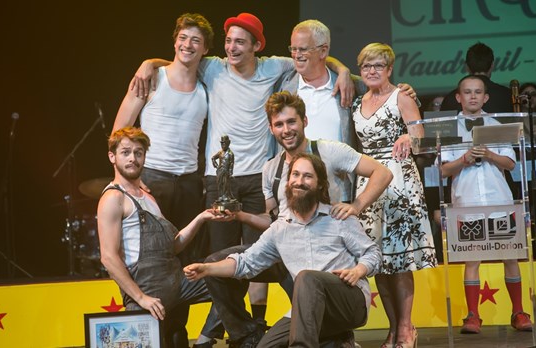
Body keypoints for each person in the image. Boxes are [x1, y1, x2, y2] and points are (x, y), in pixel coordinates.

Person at [133, 12, 355, 327]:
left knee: (261, 254)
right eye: (228, 41)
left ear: (256, 46)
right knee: (222, 258)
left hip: (258, 178)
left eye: (240, 42)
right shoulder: (213, 68)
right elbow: (181, 58)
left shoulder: (274, 66)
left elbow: (311, 56)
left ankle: (280, 322)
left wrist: (343, 69)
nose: (232, 48)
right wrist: (148, 63)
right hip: (218, 182)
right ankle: (236, 329)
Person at [191, 91, 392, 347]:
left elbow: (382, 173)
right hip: (289, 252)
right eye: (279, 124)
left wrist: (356, 205)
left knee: (308, 281)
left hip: (330, 265)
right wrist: (239, 215)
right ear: (271, 128)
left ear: (304, 121)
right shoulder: (271, 169)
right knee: (218, 262)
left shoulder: (329, 152)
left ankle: (331, 337)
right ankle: (248, 334)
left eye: (291, 122)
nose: (286, 129)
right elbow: (275, 223)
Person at [184, 153, 382, 347]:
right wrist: (207, 269)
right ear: (288, 182)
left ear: (320, 184)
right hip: (307, 310)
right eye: (295, 175)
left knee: (307, 278)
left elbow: (373, 253)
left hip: (349, 301)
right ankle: (337, 341)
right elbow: (246, 262)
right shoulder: (280, 229)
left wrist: (359, 271)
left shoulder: (338, 217)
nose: (299, 181)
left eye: (307, 176)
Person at [97, 127, 222, 347]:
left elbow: (174, 246)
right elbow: (108, 257)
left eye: (138, 153)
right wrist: (141, 298)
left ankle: (205, 340)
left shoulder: (148, 196)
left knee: (225, 277)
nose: (132, 158)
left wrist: (201, 217)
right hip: (146, 289)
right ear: (112, 157)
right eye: (125, 152)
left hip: (176, 280)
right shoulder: (113, 198)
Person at [352, 43, 437, 348]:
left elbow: (420, 135)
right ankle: (392, 329)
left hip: (400, 180)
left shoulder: (400, 96)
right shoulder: (356, 101)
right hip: (368, 181)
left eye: (378, 66)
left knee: (399, 261)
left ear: (389, 69)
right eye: (366, 66)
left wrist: (407, 135)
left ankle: (406, 329)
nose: (372, 71)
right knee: (378, 261)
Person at [277, 19, 417, 202]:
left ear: (323, 51)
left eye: (303, 49)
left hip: (340, 191)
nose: (296, 55)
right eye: (293, 49)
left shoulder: (354, 85)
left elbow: (387, 99)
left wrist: (407, 93)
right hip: (297, 190)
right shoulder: (284, 87)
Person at [113, 12, 213, 265]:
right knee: (151, 258)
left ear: (205, 49)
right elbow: (118, 132)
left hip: (189, 184)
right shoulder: (153, 79)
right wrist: (126, 182)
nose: (187, 45)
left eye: (195, 41)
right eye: (183, 38)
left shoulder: (205, 89)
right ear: (174, 41)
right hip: (151, 178)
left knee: (186, 261)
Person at [440, 75, 533, 334]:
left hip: (499, 200)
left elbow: (511, 164)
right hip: (466, 201)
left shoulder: (498, 125)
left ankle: (518, 311)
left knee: (510, 255)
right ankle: (473, 315)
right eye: (467, 92)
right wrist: (464, 159)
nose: (472, 96)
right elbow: (443, 170)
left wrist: (490, 154)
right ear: (458, 97)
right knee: (472, 259)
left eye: (477, 92)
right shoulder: (448, 127)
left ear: (485, 97)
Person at [440, 42, 512, 113]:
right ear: (492, 65)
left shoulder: (450, 99)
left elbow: (443, 124)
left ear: (466, 67)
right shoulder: (508, 96)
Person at [212, 135, 234, 202]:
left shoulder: (230, 154)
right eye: (222, 143)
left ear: (228, 143)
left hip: (226, 171)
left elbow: (231, 163)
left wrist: (230, 172)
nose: (223, 145)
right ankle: (221, 196)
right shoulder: (220, 152)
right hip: (220, 170)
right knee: (219, 183)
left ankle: (226, 196)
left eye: (224, 143)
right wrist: (215, 165)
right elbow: (213, 158)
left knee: (226, 184)